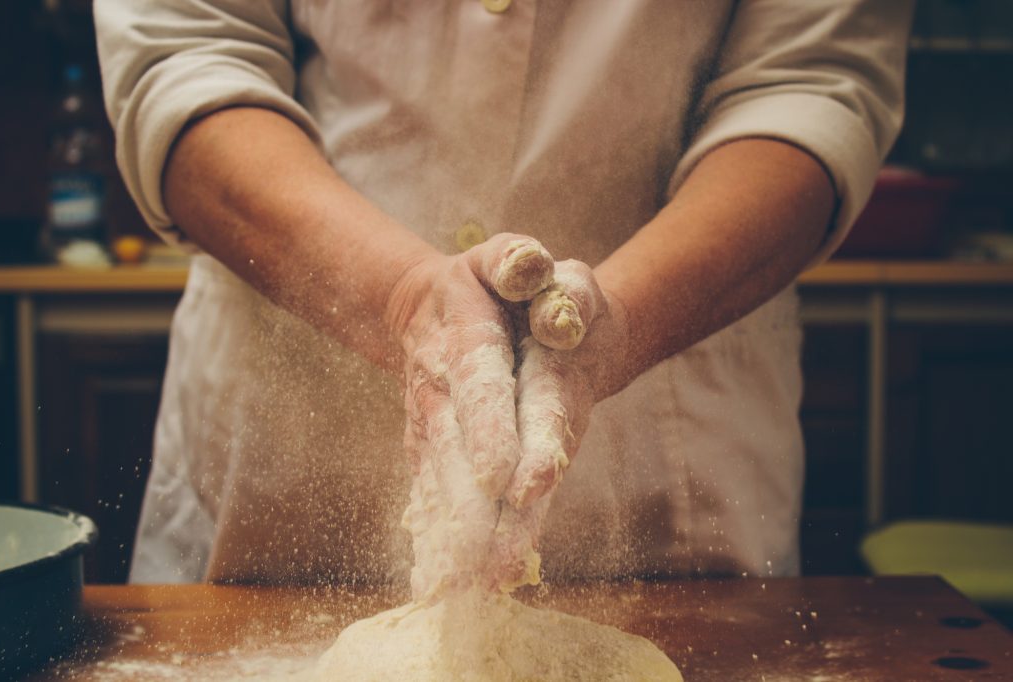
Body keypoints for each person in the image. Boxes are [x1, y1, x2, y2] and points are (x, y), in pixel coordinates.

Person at [94, 0, 912, 586]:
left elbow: (811, 86)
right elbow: (185, 61)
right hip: (283, 472)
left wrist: (623, 318)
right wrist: (398, 296)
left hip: (671, 469)